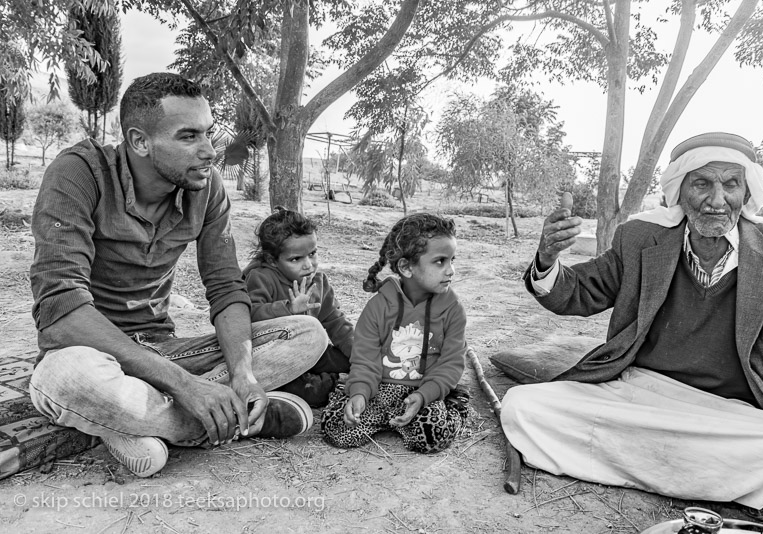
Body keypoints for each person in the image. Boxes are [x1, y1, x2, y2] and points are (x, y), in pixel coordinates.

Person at [28, 72, 329, 478]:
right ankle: (222, 422)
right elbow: (60, 307)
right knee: (68, 378)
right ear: (139, 141)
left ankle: (137, 422)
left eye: (208, 133)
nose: (209, 151)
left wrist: (243, 374)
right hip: (87, 352)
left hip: (162, 349)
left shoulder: (206, 188)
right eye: (189, 137)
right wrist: (185, 386)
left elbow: (225, 287)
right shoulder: (78, 174)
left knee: (307, 334)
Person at [500, 131, 763, 514]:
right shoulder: (640, 238)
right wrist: (546, 258)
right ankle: (710, 475)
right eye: (702, 183)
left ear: (746, 192)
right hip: (639, 391)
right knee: (522, 405)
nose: (717, 200)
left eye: (730, 184)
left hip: (734, 411)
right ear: (679, 191)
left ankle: (642, 459)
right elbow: (580, 291)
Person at [320, 213, 470, 453]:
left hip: (424, 393)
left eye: (453, 260)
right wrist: (359, 394)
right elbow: (365, 360)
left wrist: (422, 397)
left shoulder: (452, 309)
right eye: (440, 261)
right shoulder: (378, 307)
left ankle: (452, 405)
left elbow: (451, 364)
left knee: (434, 436)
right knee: (336, 427)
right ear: (406, 267)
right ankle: (382, 419)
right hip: (378, 390)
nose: (450, 270)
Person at [242, 207, 353, 407]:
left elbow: (336, 322)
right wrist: (288, 309)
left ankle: (335, 375)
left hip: (311, 350)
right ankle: (331, 383)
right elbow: (249, 315)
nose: (308, 265)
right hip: (274, 355)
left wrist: (360, 357)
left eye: (312, 254)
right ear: (272, 260)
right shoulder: (260, 277)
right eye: (296, 259)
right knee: (311, 392)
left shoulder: (318, 282)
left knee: (347, 359)